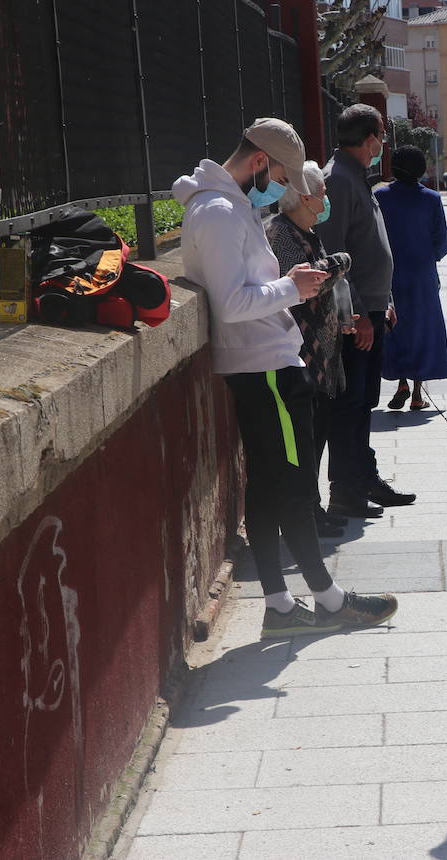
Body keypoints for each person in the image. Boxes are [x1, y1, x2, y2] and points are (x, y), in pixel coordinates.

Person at [174, 118, 398, 638]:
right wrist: (293, 287)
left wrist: (287, 288)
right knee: (295, 486)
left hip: (264, 363)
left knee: (271, 483)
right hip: (265, 366)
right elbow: (233, 303)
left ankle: (280, 606)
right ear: (259, 162)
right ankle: (327, 601)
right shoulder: (220, 212)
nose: (281, 189)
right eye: (280, 177)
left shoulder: (227, 206)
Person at [315, 104, 416, 518]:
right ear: (370, 138)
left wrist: (384, 301)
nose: (384, 145)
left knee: (363, 402)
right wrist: (355, 314)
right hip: (353, 316)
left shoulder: (356, 176)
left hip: (372, 309)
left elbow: (368, 246)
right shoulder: (337, 180)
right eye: (382, 137)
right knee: (350, 403)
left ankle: (362, 477)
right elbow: (331, 253)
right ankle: (346, 488)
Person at [267, 160, 355, 538]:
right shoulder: (281, 234)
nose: (326, 198)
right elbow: (308, 282)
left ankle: (313, 509)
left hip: (322, 357)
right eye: (322, 192)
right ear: (305, 198)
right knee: (303, 441)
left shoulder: (307, 231)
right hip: (300, 356)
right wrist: (340, 262)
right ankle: (304, 514)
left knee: (317, 436)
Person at [375, 146, 447, 411]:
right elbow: (442, 242)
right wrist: (429, 258)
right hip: (422, 275)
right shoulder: (431, 199)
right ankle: (418, 393)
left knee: (395, 326)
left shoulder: (380, 197)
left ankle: (401, 382)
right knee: (422, 329)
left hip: (389, 273)